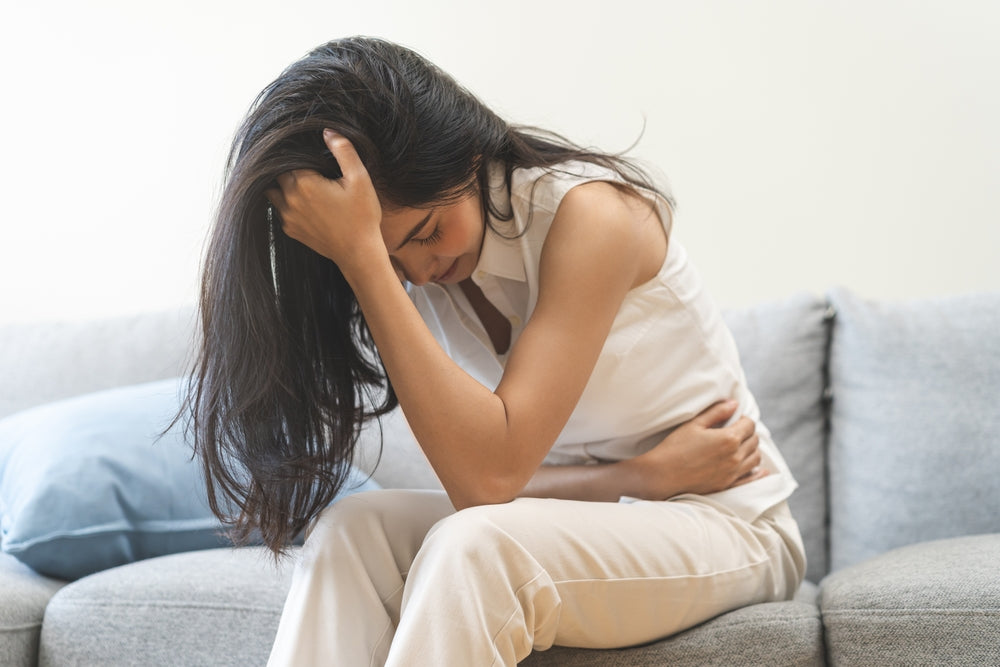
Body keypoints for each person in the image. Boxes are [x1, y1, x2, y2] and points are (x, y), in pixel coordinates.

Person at [186, 36, 806, 666]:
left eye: (424, 234)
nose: (420, 275)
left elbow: (488, 481)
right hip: (602, 510)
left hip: (728, 523)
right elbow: (489, 483)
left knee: (477, 548)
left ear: (466, 156)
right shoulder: (412, 272)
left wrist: (365, 259)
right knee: (351, 532)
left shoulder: (593, 217)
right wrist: (637, 478)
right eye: (393, 263)